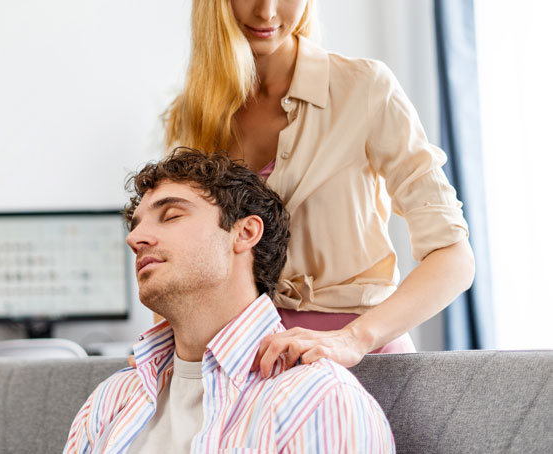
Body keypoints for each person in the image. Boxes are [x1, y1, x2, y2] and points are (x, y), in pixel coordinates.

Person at [161, 0, 475, 372]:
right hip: (248, 369)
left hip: (364, 364)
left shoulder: (366, 88)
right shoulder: (192, 114)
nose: (267, 11)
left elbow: (454, 258)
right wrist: (166, 343)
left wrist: (353, 338)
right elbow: (182, 261)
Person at [63, 150, 394, 453]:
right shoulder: (109, 401)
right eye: (136, 226)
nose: (134, 239)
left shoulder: (319, 400)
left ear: (245, 233)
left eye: (172, 215)